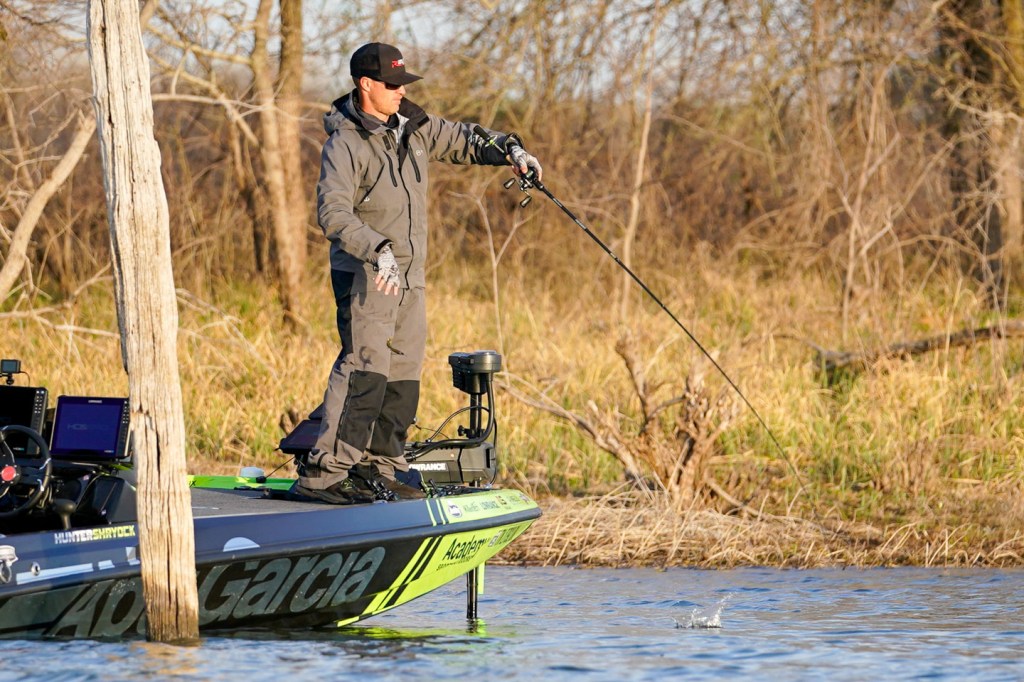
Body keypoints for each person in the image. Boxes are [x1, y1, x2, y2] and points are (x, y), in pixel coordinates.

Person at [294, 43, 543, 504]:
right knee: (365, 369)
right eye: (391, 84)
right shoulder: (345, 143)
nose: (400, 92)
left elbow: (465, 139)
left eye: (403, 83)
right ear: (365, 84)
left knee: (404, 373)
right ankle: (325, 474)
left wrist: (511, 150)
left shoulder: (414, 128)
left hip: (411, 276)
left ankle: (381, 466)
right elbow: (333, 213)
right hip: (368, 273)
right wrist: (378, 249)